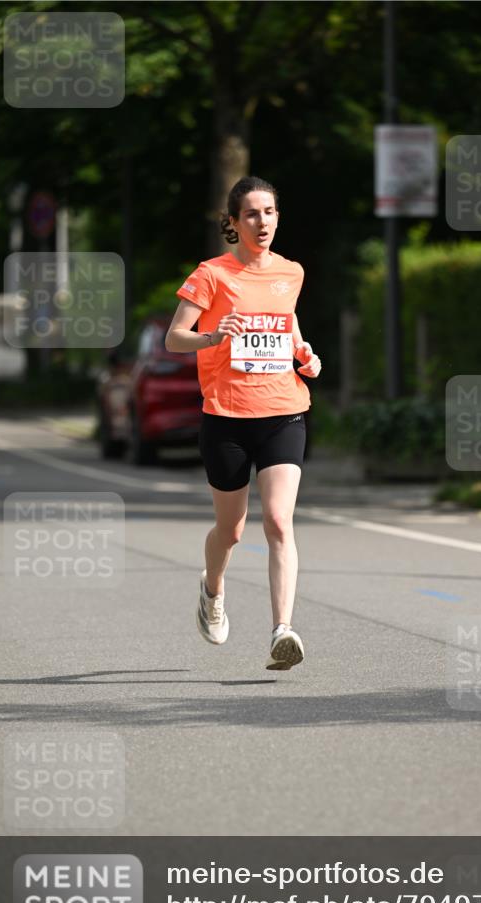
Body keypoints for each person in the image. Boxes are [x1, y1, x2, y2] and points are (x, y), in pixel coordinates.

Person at [165, 176, 322, 670]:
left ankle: (282, 630)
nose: (262, 221)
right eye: (251, 213)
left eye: (269, 212)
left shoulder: (291, 272)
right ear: (233, 222)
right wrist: (212, 336)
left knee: (278, 520)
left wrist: (305, 354)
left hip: (283, 411)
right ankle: (212, 589)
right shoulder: (211, 274)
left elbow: (287, 324)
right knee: (230, 531)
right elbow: (174, 338)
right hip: (227, 418)